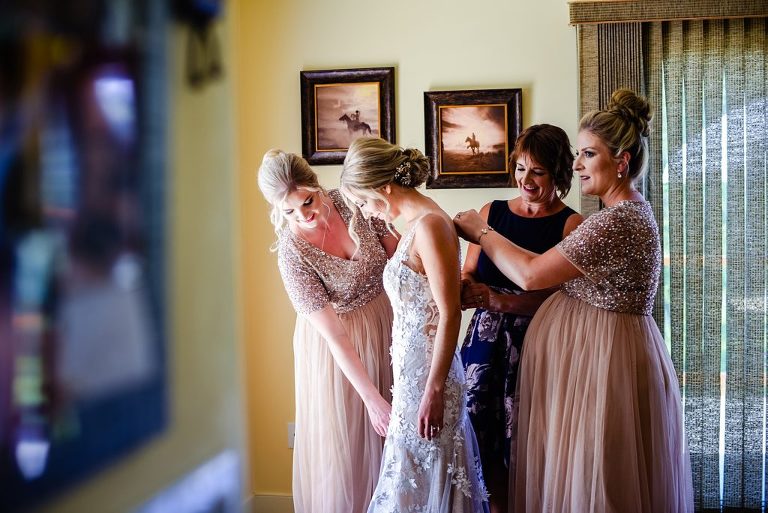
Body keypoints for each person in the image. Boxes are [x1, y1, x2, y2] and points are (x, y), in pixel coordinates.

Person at [454, 89, 693, 513]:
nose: (578, 164)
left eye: (588, 154)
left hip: (604, 367)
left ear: (620, 161)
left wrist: (480, 231)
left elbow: (531, 274)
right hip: (597, 360)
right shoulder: (625, 214)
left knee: (601, 478)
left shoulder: (613, 221)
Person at [340, 137, 489, 512]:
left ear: (382, 188)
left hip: (430, 377)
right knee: (411, 474)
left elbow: (449, 313)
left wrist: (434, 390)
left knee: (431, 469)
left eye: (362, 202)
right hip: (412, 375)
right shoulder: (413, 225)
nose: (367, 213)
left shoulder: (430, 225)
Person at [257, 150, 398, 513]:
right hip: (336, 346)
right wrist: (372, 400)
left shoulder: (352, 202)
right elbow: (333, 334)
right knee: (351, 443)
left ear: (318, 186)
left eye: (307, 201)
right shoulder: (291, 253)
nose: (303, 216)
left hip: (386, 319)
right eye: (288, 211)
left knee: (397, 436)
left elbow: (400, 254)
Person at [459, 124, 583, 513]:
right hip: (483, 343)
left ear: (559, 173)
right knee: (478, 436)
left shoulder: (572, 226)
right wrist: (466, 288)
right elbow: (469, 273)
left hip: (538, 342)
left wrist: (497, 300)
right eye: (520, 168)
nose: (526, 180)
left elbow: (563, 301)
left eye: (538, 172)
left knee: (527, 440)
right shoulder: (490, 214)